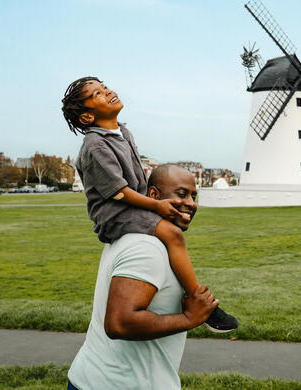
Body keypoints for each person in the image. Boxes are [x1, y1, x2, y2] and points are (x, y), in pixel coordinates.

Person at [61, 76, 237, 333]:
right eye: (97, 94)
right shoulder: (95, 145)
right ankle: (201, 301)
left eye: (105, 87)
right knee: (173, 234)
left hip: (132, 207)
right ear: (87, 117)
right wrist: (156, 207)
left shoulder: (123, 132)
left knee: (173, 222)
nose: (108, 92)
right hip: (115, 213)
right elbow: (119, 193)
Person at [67, 164, 216, 389]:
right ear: (154, 195)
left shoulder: (134, 234)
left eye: (194, 196)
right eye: (182, 194)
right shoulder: (147, 247)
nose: (191, 204)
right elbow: (120, 323)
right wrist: (189, 319)